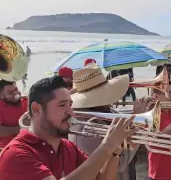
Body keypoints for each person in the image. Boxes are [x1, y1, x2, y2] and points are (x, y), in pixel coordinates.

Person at [0, 76, 137, 180]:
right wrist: (107, 145)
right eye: (62, 105)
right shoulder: (16, 154)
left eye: (70, 105)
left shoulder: (68, 147)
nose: (70, 112)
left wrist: (115, 152)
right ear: (36, 109)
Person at [68, 63, 140, 180]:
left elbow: (120, 123)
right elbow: (120, 163)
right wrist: (138, 121)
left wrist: (135, 117)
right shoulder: (83, 127)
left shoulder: (104, 109)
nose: (109, 99)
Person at [0, 80, 27, 149]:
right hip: (8, 148)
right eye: (10, 92)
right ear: (1, 95)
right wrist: (22, 128)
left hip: (29, 144)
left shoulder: (26, 101)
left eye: (16, 89)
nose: (16, 93)